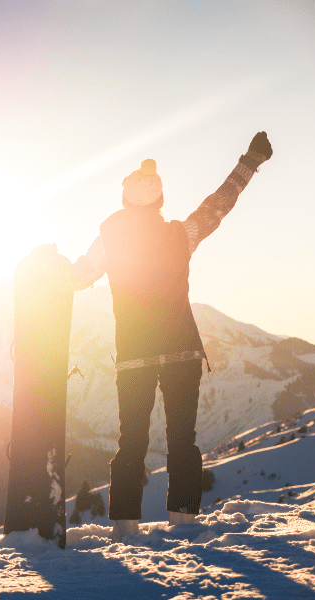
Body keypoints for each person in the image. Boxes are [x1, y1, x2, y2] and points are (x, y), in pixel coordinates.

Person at [70, 132, 273, 542]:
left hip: (134, 357)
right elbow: (219, 205)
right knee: (184, 441)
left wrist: (47, 269)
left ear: (125, 200)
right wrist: (248, 162)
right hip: (182, 352)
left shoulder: (108, 241)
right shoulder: (182, 234)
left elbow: (77, 278)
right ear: (160, 201)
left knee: (131, 443)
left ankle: (125, 527)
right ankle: (184, 522)